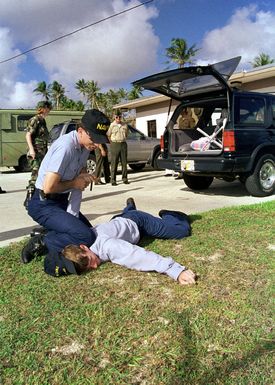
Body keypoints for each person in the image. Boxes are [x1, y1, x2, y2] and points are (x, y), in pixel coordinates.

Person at [21, 109, 110, 264]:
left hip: (60, 202)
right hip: (44, 204)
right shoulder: (66, 147)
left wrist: (84, 175)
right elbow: (49, 187)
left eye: (99, 139)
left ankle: (54, 229)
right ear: (81, 130)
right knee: (84, 236)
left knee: (90, 233)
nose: (96, 144)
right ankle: (41, 241)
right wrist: (75, 183)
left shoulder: (84, 146)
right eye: (94, 138)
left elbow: (79, 168)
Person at [43, 197, 196, 285]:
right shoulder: (74, 245)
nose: (94, 266)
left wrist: (175, 270)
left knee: (182, 231)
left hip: (139, 223)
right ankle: (128, 208)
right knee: (122, 220)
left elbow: (137, 255)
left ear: (84, 247)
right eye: (85, 268)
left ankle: (169, 214)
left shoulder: (108, 246)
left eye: (87, 261)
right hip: (119, 223)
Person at [24, 100, 52, 208]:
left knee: (41, 173)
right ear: (44, 108)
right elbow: (28, 135)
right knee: (35, 174)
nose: (49, 111)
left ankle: (39, 196)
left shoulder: (42, 120)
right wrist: (31, 150)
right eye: (48, 108)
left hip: (42, 152)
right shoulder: (35, 120)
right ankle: (29, 199)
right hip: (36, 151)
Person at [107, 113, 129, 186]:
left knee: (124, 163)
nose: (118, 118)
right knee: (114, 163)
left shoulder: (125, 125)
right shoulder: (112, 125)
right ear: (114, 118)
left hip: (123, 144)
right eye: (117, 117)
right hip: (115, 144)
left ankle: (125, 178)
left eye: (119, 117)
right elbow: (108, 135)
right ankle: (113, 180)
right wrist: (112, 142)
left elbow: (126, 134)